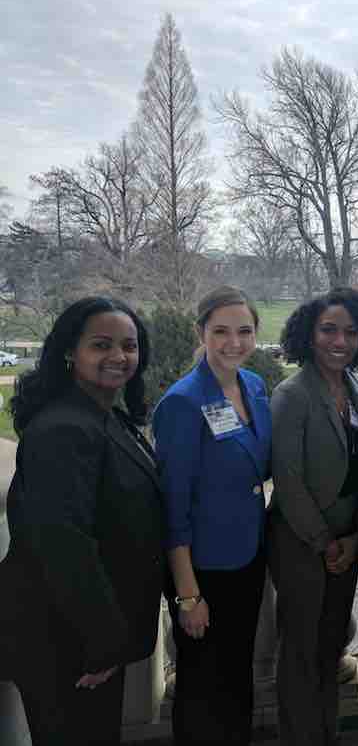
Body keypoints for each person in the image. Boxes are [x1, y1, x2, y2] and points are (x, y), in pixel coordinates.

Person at [0, 297, 163, 745]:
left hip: (88, 634)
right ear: (72, 351)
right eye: (102, 345)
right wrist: (102, 642)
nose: (118, 356)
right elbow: (61, 542)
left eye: (129, 346)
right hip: (64, 640)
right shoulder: (63, 429)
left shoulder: (106, 416)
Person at [153, 286, 272, 746]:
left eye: (244, 331)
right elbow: (173, 507)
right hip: (201, 570)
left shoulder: (254, 387)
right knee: (202, 686)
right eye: (220, 331)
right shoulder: (183, 403)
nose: (233, 342)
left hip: (247, 557)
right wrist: (187, 595)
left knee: (236, 675)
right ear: (201, 332)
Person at [267, 288, 358, 746]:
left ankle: (325, 732)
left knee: (331, 644)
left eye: (351, 332)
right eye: (329, 329)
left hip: (347, 539)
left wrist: (356, 537)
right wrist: (324, 541)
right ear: (308, 334)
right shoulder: (292, 394)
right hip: (299, 541)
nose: (340, 340)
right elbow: (288, 480)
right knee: (299, 651)